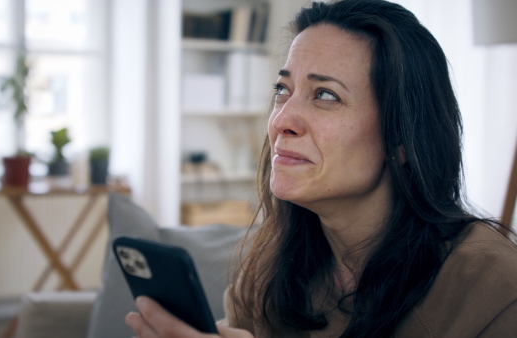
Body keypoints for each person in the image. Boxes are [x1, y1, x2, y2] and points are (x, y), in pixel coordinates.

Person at [125, 0, 517, 337]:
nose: (281, 121)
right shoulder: (267, 269)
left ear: (402, 139)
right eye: (283, 89)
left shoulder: (494, 288)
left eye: (325, 95)